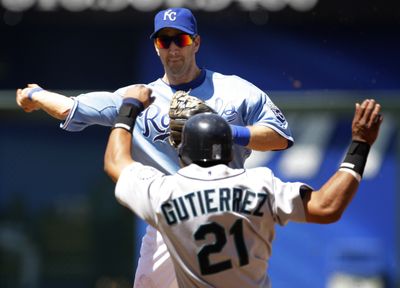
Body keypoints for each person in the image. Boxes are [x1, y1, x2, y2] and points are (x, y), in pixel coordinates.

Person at [16, 7, 294, 288]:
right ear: (156, 47)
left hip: (225, 209)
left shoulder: (234, 90)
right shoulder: (138, 97)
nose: (173, 48)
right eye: (164, 41)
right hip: (171, 216)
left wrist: (227, 131)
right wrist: (36, 94)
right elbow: (70, 108)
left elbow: (279, 136)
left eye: (181, 40)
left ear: (196, 42)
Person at [104, 85, 382, 288]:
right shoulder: (259, 183)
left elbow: (116, 163)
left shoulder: (164, 192)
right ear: (228, 150)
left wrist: (129, 107)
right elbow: (327, 207)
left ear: (183, 151)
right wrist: (360, 144)